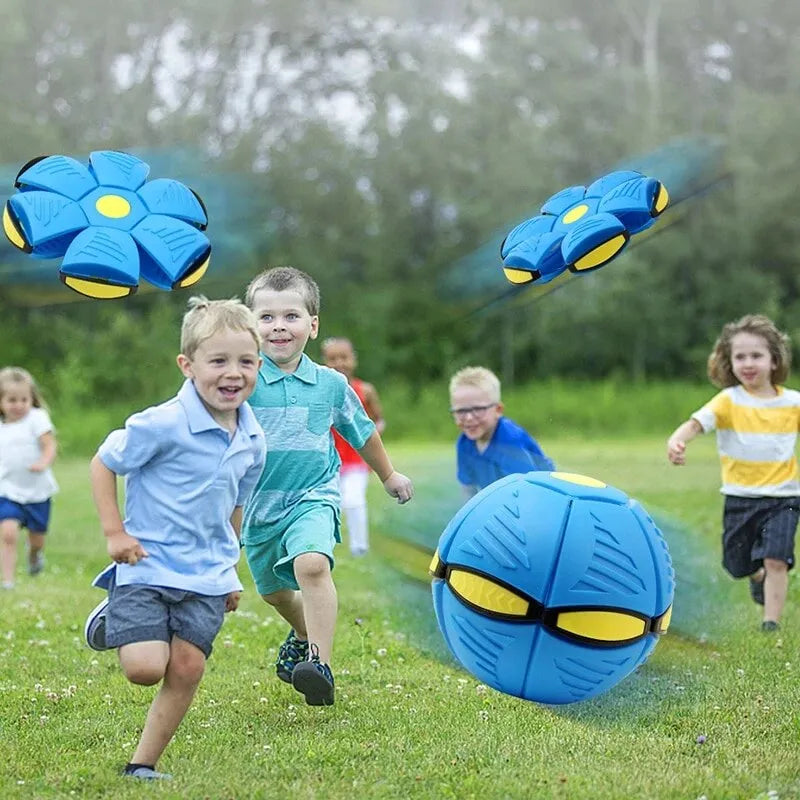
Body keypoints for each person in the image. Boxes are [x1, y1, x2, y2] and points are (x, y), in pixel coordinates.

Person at [82, 296, 266, 781]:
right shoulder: (162, 423)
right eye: (218, 361)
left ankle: (142, 764)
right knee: (145, 668)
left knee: (186, 669)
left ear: (259, 365)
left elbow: (236, 509)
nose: (233, 373)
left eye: (245, 361)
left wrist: (230, 573)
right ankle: (117, 612)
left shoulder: (252, 439)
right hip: (148, 564)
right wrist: (114, 532)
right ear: (187, 365)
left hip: (207, 574)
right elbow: (103, 463)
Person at [242, 266, 413, 707]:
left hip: (312, 495)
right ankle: (300, 632)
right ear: (250, 323)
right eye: (266, 317)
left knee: (312, 565)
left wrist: (388, 474)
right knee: (274, 592)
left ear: (312, 325)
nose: (279, 325)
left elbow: (363, 432)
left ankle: (319, 665)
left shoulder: (332, 385)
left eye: (291, 316)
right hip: (259, 507)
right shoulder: (241, 381)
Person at [667, 314, 800, 632]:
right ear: (729, 362)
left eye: (757, 355)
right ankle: (756, 576)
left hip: (784, 497)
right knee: (736, 563)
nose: (748, 363)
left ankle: (771, 622)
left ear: (773, 359)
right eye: (740, 356)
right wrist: (678, 439)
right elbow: (697, 423)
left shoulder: (794, 402)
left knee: (777, 558)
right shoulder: (729, 401)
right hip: (740, 497)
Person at [449, 366, 555, 499]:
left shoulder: (510, 440)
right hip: (508, 501)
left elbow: (529, 492)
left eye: (478, 409)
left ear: (498, 410)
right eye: (461, 411)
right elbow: (468, 488)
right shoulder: (464, 444)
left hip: (544, 497)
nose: (469, 417)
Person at [321, 336, 385, 557]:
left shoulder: (365, 390)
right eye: (332, 358)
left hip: (357, 459)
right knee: (330, 503)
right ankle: (326, 545)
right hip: (330, 460)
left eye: (344, 357)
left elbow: (378, 420)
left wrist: (369, 440)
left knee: (354, 500)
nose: (339, 363)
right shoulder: (322, 390)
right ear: (323, 362)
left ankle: (359, 546)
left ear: (354, 360)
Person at [0, 367, 58, 589]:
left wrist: (44, 461)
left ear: (31, 399)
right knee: (7, 534)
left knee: (37, 538)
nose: (18, 405)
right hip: (7, 490)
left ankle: (34, 555)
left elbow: (49, 444)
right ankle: (7, 580)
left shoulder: (37, 418)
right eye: (11, 400)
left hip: (37, 491)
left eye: (24, 399)